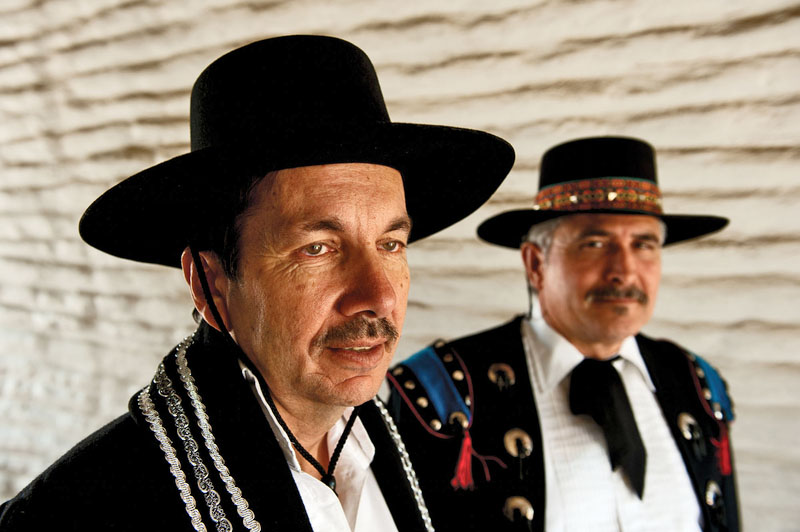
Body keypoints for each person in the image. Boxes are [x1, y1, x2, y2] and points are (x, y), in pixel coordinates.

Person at [0, 35, 514, 531]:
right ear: (211, 286)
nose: (378, 296)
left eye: (391, 244)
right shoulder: (78, 515)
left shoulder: (412, 447)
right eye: (318, 249)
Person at [388, 136, 739, 532]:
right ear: (536, 263)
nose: (624, 270)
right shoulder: (445, 392)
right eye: (595, 243)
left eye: (644, 245)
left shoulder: (695, 381)